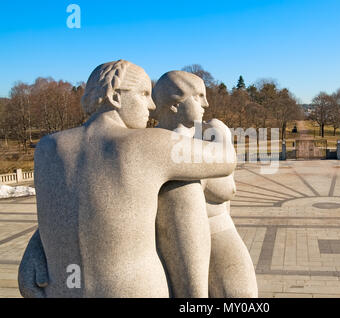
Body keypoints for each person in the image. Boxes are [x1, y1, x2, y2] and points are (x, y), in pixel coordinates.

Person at [18, 60, 236, 297]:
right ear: (115, 97)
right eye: (144, 94)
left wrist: (33, 250)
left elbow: (68, 207)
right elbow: (225, 160)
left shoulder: (47, 148)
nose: (152, 105)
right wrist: (220, 132)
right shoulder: (147, 143)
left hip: (60, 290)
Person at [153, 71, 257, 298]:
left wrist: (221, 138)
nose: (206, 104)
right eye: (199, 96)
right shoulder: (150, 143)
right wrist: (221, 139)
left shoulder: (206, 135)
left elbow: (227, 189)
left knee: (241, 296)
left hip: (218, 231)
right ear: (174, 104)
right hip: (165, 245)